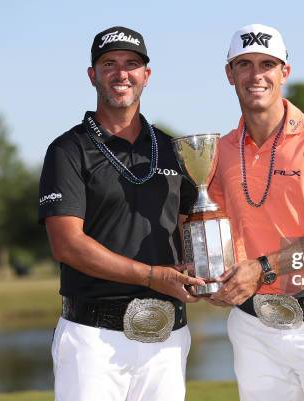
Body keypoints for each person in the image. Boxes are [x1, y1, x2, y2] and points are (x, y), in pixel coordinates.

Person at [38, 26, 203, 401]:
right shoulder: (68, 150)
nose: (121, 73)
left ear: (147, 75)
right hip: (93, 340)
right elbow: (67, 245)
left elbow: (190, 226)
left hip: (168, 336)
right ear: (92, 75)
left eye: (132, 64)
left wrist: (206, 272)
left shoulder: (172, 148)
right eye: (109, 63)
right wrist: (150, 276)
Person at [208, 24, 304, 401]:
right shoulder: (220, 150)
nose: (255, 75)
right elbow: (214, 228)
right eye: (243, 64)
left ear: (284, 73)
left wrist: (262, 267)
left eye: (267, 64)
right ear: (230, 74)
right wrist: (211, 274)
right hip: (252, 327)